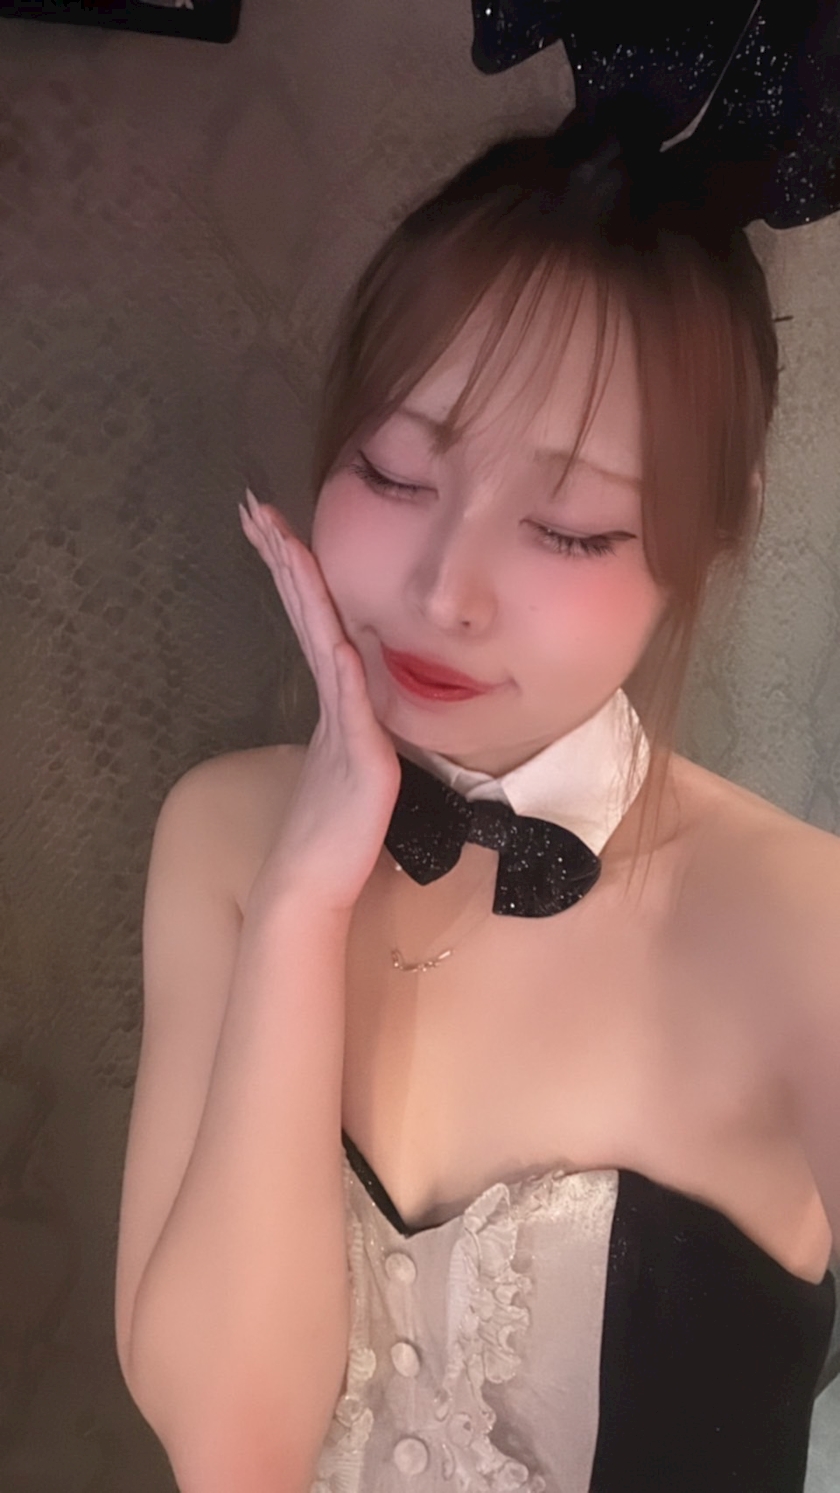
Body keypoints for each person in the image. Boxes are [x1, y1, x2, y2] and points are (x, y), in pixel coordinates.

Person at [113, 96, 839, 1493]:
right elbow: (229, 1450)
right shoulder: (223, 833)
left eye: (568, 526)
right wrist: (300, 902)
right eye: (394, 471)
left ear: (717, 527)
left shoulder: (803, 922)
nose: (445, 590)